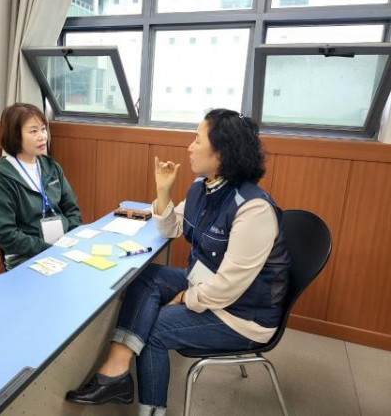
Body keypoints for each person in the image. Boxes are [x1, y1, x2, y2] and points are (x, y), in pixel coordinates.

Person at [66, 109, 291, 416]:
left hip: (241, 316)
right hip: (206, 286)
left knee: (155, 328)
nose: (190, 147)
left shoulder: (253, 209)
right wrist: (163, 190)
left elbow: (227, 289)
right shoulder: (203, 186)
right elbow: (171, 227)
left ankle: (151, 411)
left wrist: (185, 299)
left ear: (222, 153)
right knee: (144, 276)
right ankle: (116, 370)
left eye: (197, 140)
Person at [0, 103, 82, 270]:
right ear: (15, 135)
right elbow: (7, 236)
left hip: (63, 247)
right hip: (27, 257)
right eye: (33, 131)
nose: (42, 136)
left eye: (43, 129)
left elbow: (71, 208)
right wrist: (49, 249)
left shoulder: (51, 167)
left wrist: (72, 238)